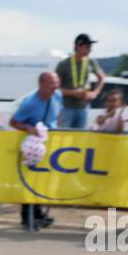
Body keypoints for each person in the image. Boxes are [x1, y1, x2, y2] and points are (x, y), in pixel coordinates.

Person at [9, 71, 63, 230]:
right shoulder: (30, 103)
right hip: (33, 146)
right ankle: (27, 218)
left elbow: (57, 115)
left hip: (48, 143)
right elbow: (14, 122)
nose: (56, 86)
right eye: (52, 83)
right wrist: (28, 128)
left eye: (57, 82)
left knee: (42, 180)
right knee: (30, 180)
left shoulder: (58, 96)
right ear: (42, 84)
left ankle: (39, 214)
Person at [55, 33, 105, 129]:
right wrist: (72, 93)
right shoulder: (64, 64)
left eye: (90, 46)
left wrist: (95, 93)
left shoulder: (91, 62)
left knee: (80, 138)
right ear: (78, 46)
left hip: (83, 108)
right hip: (66, 108)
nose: (90, 49)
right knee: (63, 137)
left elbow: (102, 77)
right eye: (88, 46)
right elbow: (56, 88)